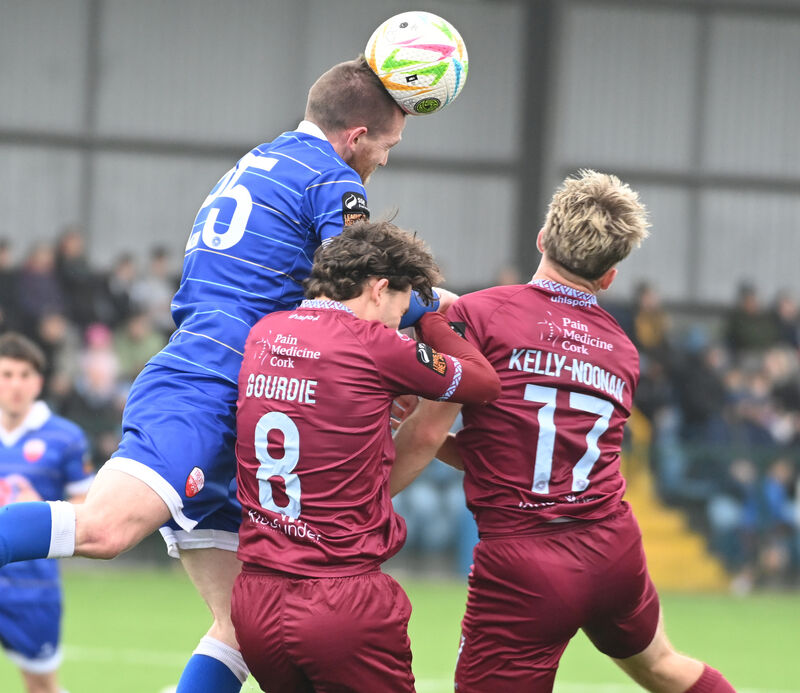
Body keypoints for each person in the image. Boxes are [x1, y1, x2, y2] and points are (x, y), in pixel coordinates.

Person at [0, 55, 435, 693]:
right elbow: (365, 278)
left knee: (242, 627)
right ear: (356, 138)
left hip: (249, 387)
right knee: (105, 528)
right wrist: (451, 309)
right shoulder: (329, 178)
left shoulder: (263, 159)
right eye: (389, 145)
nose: (387, 160)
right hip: (211, 373)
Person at [391, 170, 736, 692]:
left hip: (527, 563)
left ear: (542, 238)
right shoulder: (622, 349)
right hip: (612, 544)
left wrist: (360, 500)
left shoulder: (481, 314)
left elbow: (426, 435)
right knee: (663, 667)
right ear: (610, 276)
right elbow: (530, 445)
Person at [231, 221, 500, 692]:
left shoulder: (265, 334)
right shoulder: (375, 344)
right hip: (340, 601)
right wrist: (433, 317)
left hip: (257, 600)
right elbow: (483, 382)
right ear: (379, 288)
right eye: (401, 306)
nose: (401, 321)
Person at [0, 332, 93, 693]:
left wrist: (40, 510)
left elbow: (90, 512)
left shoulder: (65, 437)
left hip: (33, 588)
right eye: (6, 374)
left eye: (24, 375)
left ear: (38, 382)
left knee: (40, 685)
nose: (16, 385)